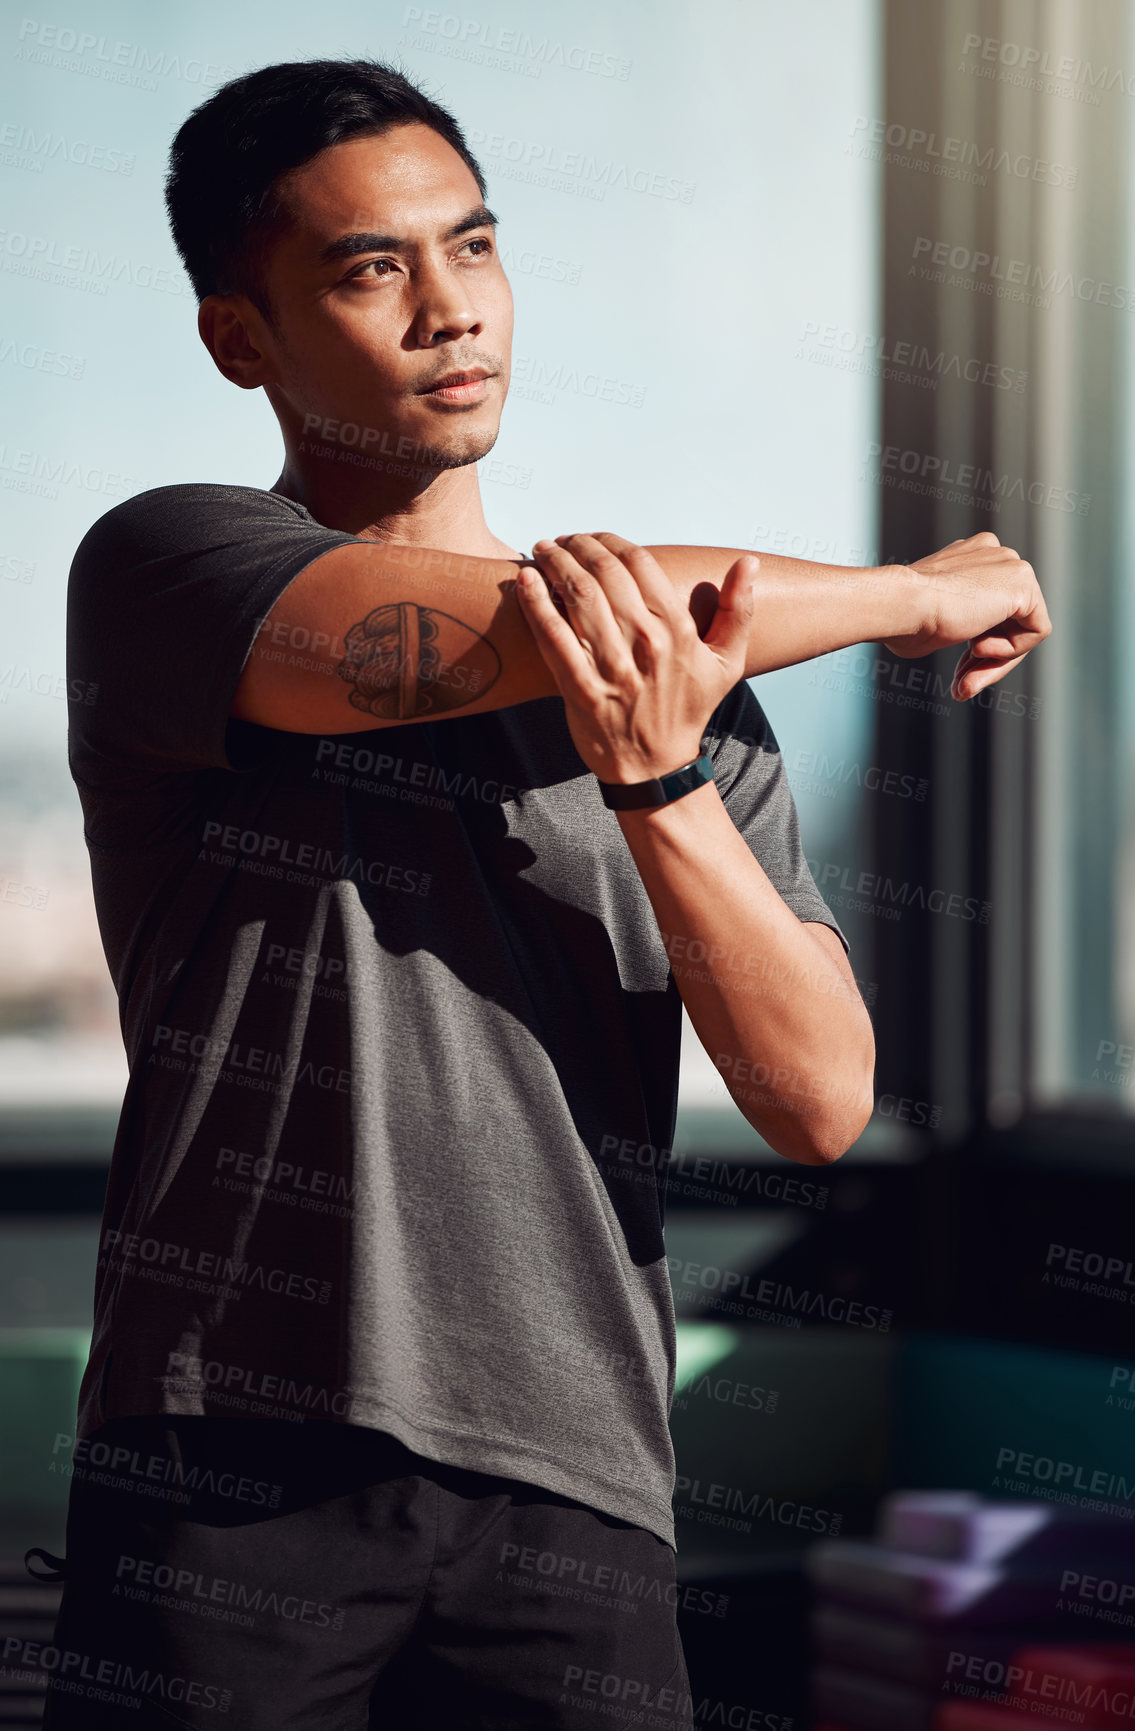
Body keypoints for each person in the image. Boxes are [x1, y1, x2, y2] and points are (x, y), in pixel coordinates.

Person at [37, 57, 1050, 1730]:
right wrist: (908, 595)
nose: (450, 311)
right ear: (240, 340)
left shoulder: (695, 693)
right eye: (372, 270)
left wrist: (654, 782)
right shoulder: (170, 569)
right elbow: (512, 638)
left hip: (577, 1487)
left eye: (474, 247)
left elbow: (816, 1103)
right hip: (229, 1459)